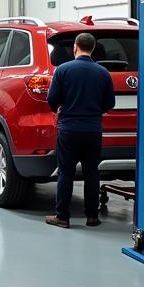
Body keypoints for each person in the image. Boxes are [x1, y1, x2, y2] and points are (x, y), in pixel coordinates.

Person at [44, 32, 115, 229]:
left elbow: (52, 101)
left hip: (69, 129)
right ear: (92, 48)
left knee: (66, 173)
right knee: (92, 173)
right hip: (93, 130)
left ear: (75, 47)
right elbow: (110, 103)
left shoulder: (63, 70)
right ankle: (92, 217)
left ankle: (62, 217)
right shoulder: (103, 73)